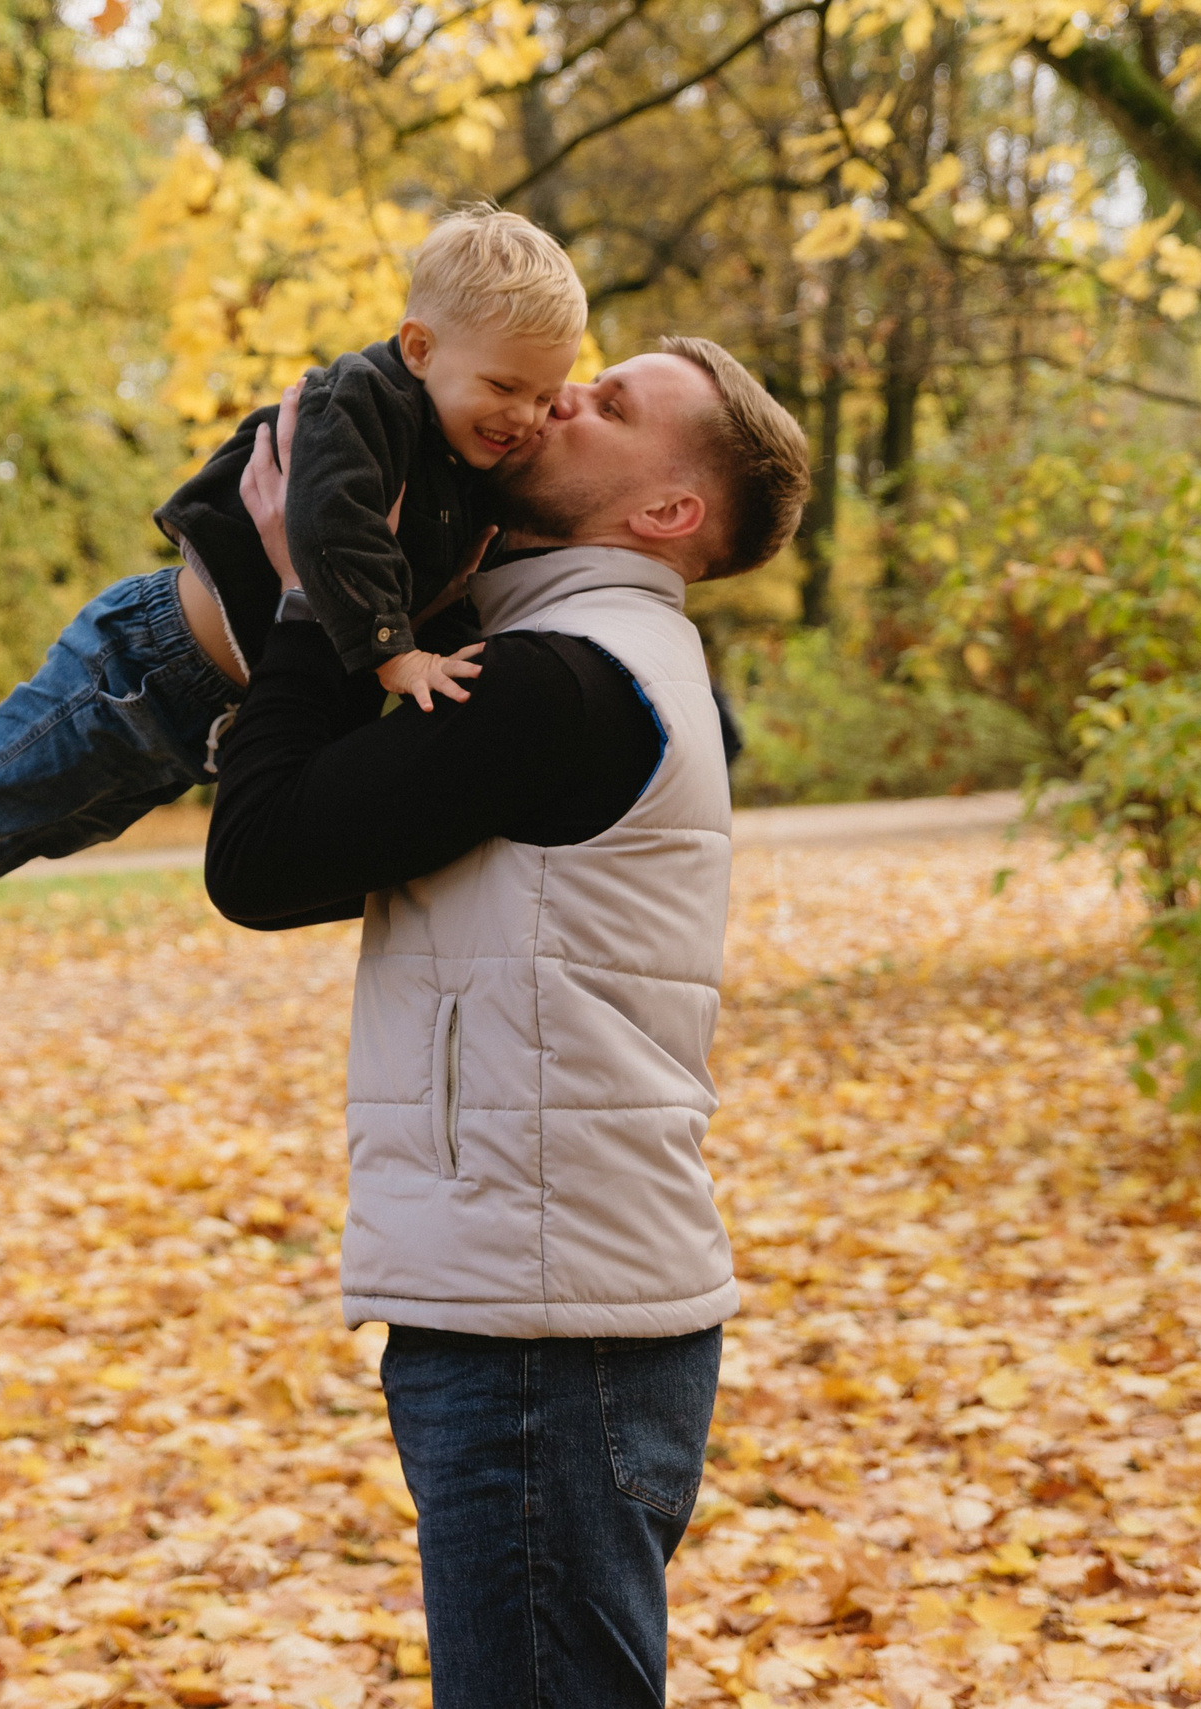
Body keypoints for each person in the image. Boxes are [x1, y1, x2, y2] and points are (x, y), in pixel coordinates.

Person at [205, 342, 811, 1708]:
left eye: (611, 404)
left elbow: (259, 858)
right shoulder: (594, 663)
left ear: (666, 516)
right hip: (561, 1305)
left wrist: (310, 591)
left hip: (544, 1338)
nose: (565, 394)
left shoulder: (556, 685)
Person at [0, 205, 586, 977]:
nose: (526, 416)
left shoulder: (466, 474)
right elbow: (330, 524)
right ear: (420, 347)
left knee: (57, 821)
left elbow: (451, 579)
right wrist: (394, 654)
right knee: (4, 778)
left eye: (548, 397)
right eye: (504, 386)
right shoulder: (363, 405)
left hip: (209, 716)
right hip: (145, 658)